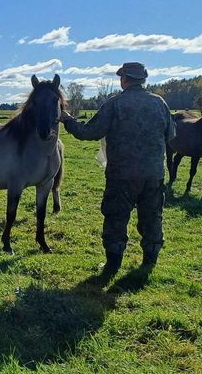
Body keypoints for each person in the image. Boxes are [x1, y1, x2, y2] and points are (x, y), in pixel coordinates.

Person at [60, 62, 176, 274]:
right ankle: (150, 261)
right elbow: (171, 135)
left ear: (124, 79)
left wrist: (67, 120)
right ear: (143, 80)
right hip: (153, 175)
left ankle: (113, 264)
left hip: (121, 175)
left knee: (116, 218)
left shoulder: (115, 104)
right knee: (152, 217)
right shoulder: (159, 103)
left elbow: (88, 132)